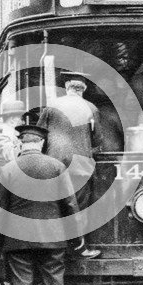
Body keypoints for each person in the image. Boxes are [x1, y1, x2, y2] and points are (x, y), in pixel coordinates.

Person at [0, 125, 78, 285]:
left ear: (22, 142)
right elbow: (70, 205)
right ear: (41, 143)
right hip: (53, 238)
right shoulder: (56, 167)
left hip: (18, 239)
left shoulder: (8, 169)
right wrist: (77, 237)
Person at [37, 71, 102, 259]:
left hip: (54, 162)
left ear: (66, 87)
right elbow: (98, 140)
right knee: (78, 206)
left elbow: (40, 134)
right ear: (85, 89)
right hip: (80, 165)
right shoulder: (91, 107)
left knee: (55, 206)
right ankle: (79, 250)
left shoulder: (51, 107)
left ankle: (53, 251)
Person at [0, 100, 26, 167]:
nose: (23, 122)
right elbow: (12, 157)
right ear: (13, 119)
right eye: (21, 119)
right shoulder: (3, 135)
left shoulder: (6, 133)